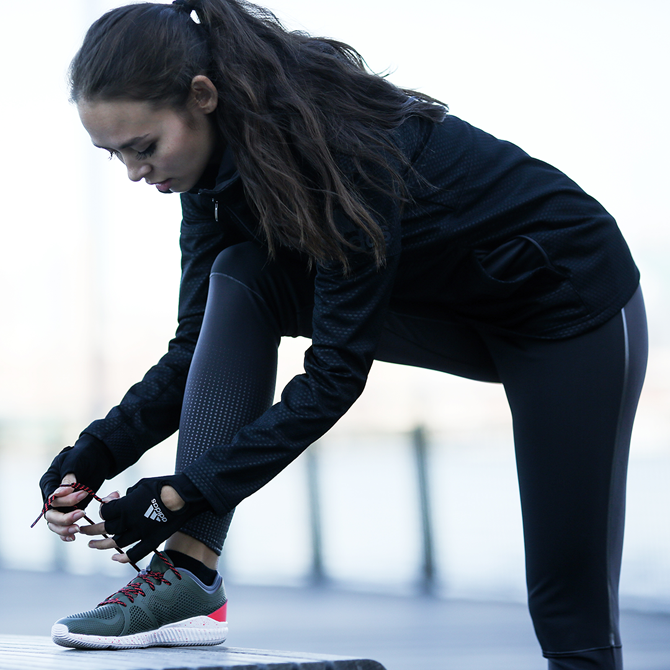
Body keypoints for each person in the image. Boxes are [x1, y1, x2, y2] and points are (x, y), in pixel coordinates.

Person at [34, 0, 647, 667]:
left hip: (566, 310)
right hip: (446, 311)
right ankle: (189, 577)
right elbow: (193, 352)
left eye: (143, 147)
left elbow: (334, 376)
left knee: (565, 600)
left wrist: (181, 492)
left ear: (202, 96)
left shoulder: (335, 147)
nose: (133, 172)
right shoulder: (209, 187)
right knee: (240, 275)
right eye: (114, 154)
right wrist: (93, 456)